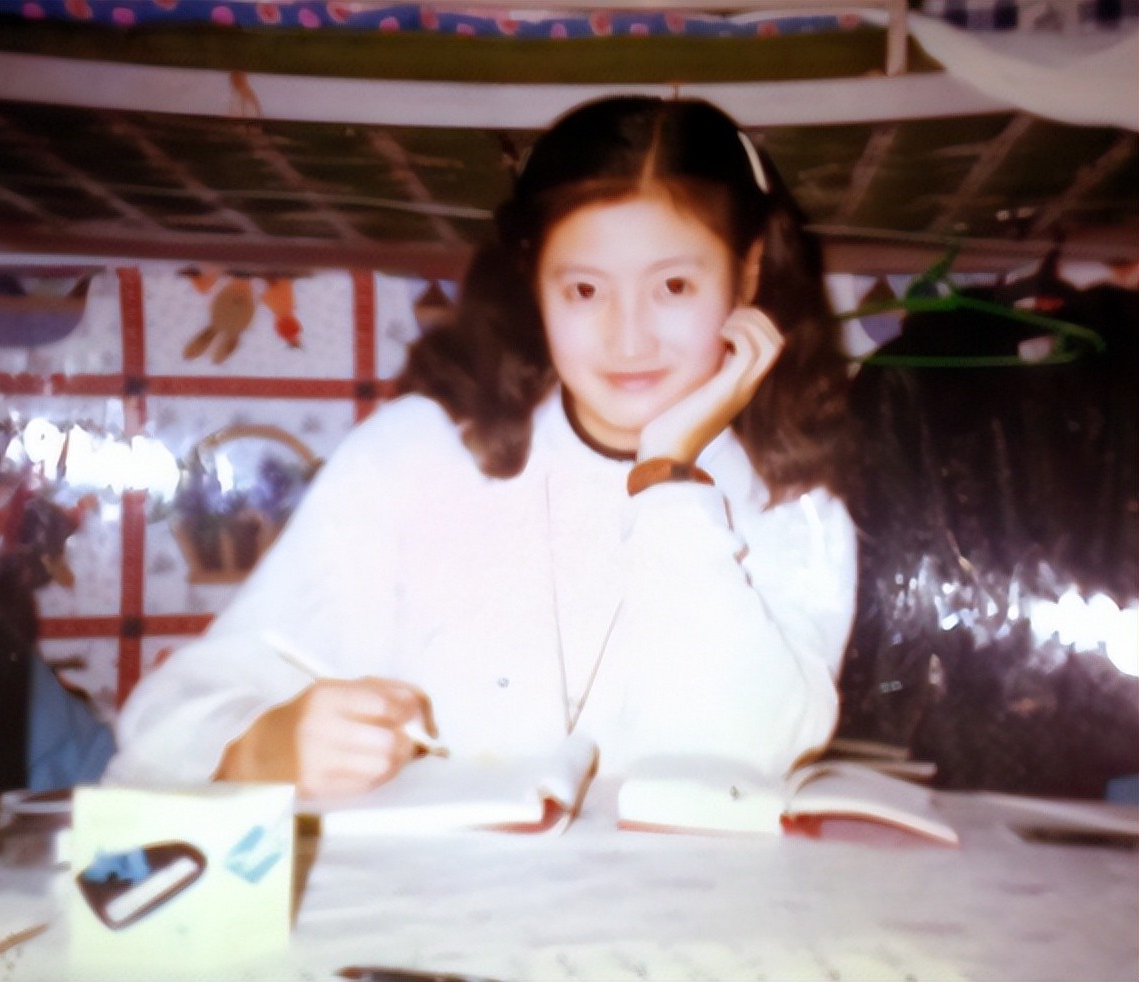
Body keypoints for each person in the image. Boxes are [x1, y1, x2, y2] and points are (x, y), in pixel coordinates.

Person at [105, 96, 858, 798]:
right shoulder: (416, 453)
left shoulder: (796, 502)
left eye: (674, 288)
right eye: (584, 291)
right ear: (534, 282)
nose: (628, 339)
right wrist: (263, 746)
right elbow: (165, 721)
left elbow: (741, 763)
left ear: (746, 274)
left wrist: (669, 474)